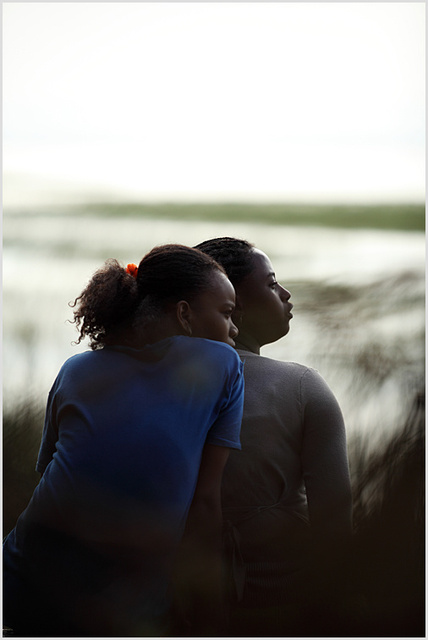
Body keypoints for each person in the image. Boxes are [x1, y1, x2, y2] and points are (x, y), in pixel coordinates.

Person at [3, 244, 245, 637]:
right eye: (227, 313)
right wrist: (209, 612)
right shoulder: (223, 364)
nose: (234, 329)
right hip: (124, 604)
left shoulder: (76, 368)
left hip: (20, 579)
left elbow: (51, 471)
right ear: (184, 314)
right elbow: (205, 502)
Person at [196, 237, 353, 636]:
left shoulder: (160, 381)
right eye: (271, 283)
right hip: (284, 600)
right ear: (234, 302)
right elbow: (333, 522)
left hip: (184, 596)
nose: (285, 294)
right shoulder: (302, 386)